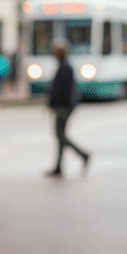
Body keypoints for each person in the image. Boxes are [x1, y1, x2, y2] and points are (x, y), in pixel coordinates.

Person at [46, 39, 90, 177]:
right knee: (60, 136)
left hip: (64, 107)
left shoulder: (66, 67)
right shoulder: (63, 65)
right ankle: (59, 167)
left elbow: (63, 90)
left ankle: (83, 155)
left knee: (61, 135)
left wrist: (56, 105)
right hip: (62, 106)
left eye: (56, 51)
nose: (53, 53)